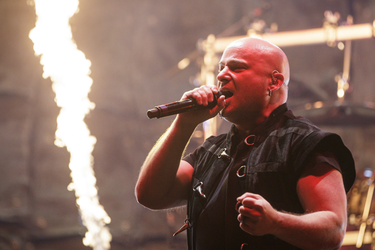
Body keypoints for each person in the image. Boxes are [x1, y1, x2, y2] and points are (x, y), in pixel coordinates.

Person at [135, 37, 356, 250]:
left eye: (236, 68)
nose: (221, 75)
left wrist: (276, 222)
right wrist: (184, 124)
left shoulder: (306, 143)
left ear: (274, 81)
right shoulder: (211, 150)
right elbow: (151, 195)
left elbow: (334, 229)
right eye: (221, 68)